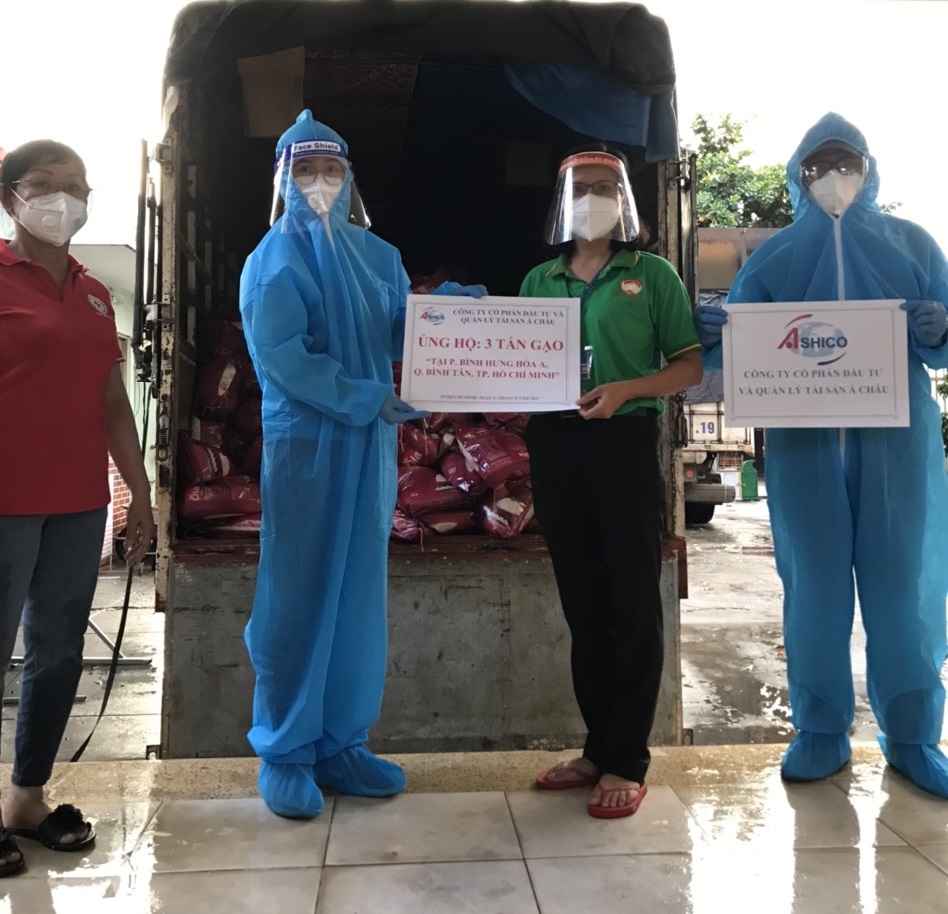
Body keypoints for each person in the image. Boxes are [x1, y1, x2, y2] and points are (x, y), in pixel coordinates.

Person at [694, 112, 948, 798]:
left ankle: (914, 735)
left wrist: (940, 329)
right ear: (797, 177)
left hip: (896, 444)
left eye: (845, 164)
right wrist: (716, 335)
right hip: (804, 446)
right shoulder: (773, 257)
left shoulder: (913, 244)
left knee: (903, 589)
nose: (833, 178)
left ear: (868, 170)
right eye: (818, 167)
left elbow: (944, 342)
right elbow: (738, 354)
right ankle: (820, 729)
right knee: (813, 587)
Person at [239, 110, 483, 819]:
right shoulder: (271, 261)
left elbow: (401, 326)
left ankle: (342, 743)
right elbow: (282, 360)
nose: (320, 183)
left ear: (350, 179)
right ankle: (286, 750)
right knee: (297, 596)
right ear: (283, 180)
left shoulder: (378, 255)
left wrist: (448, 315)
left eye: (332, 170)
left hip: (369, 448)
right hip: (308, 449)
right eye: (305, 171)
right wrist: (365, 396)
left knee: (358, 597)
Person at [524, 145, 703, 818]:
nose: (592, 200)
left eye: (604, 188)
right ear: (561, 203)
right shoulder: (540, 279)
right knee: (582, 600)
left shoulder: (651, 274)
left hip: (624, 441)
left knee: (632, 596)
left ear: (624, 200)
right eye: (580, 189)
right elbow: (517, 362)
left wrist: (627, 389)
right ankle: (596, 748)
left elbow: (688, 366)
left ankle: (627, 757)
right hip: (555, 443)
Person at [0, 140, 154, 874]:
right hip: (5, 500)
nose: (62, 198)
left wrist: (141, 495)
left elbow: (113, 404)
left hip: (77, 502)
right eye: (43, 185)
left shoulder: (94, 294)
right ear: (11, 199)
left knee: (59, 651)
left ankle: (26, 799)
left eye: (77, 185)